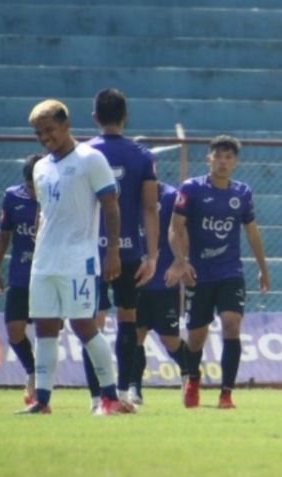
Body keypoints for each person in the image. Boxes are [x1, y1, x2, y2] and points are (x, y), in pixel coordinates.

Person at [18, 98, 133, 415]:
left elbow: (110, 205)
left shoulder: (90, 159)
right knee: (44, 329)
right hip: (44, 263)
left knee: (84, 326)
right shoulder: (41, 167)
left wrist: (111, 252)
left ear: (66, 126)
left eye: (50, 130)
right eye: (39, 133)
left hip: (78, 260)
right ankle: (42, 401)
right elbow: (44, 212)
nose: (45, 138)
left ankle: (109, 397)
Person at [164, 135, 270, 409]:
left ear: (235, 162)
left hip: (230, 272)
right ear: (209, 158)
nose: (223, 162)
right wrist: (181, 261)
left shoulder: (242, 193)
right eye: (218, 156)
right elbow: (175, 228)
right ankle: (194, 379)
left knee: (231, 324)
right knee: (196, 337)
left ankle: (226, 393)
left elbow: (252, 231)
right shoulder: (192, 189)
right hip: (199, 273)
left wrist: (262, 268)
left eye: (229, 157)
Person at [79, 88, 159, 412]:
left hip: (88, 253)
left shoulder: (81, 153)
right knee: (128, 318)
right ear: (125, 116)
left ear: (95, 117)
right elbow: (150, 208)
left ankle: (97, 397)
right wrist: (152, 255)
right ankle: (125, 393)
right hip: (128, 252)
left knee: (91, 323)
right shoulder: (142, 156)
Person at [129, 180, 190, 404]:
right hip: (135, 278)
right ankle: (134, 387)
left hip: (164, 279)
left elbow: (182, 231)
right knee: (136, 335)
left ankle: (189, 372)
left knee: (169, 339)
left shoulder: (171, 197)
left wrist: (179, 262)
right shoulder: (125, 194)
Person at [0, 153, 41, 405]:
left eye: (37, 185)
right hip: (20, 277)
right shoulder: (12, 197)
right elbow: (3, 234)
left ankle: (41, 386)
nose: (34, 191)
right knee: (14, 330)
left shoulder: (56, 197)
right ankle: (32, 372)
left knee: (46, 332)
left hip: (47, 276)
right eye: (30, 186)